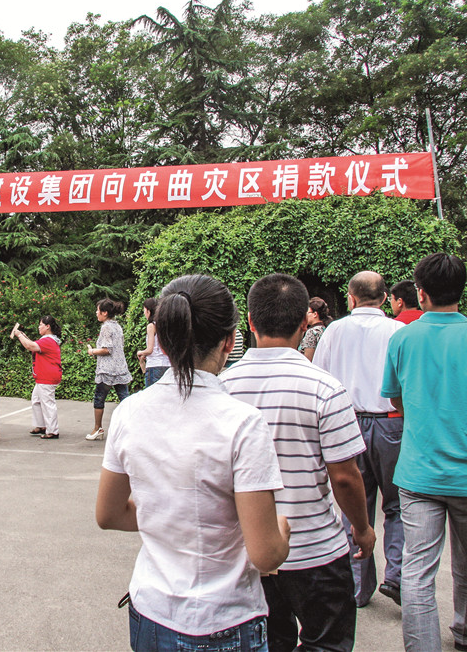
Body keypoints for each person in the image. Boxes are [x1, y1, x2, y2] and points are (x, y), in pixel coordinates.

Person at [96, 274, 291, 651]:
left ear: (163, 341)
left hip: (150, 612)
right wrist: (282, 531)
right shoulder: (243, 423)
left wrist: (166, 512)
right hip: (224, 620)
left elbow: (109, 514)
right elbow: (265, 554)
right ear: (229, 341)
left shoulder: (129, 412)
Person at [222, 273, 374, 652]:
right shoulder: (326, 388)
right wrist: (362, 527)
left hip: (249, 551)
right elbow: (344, 477)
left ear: (250, 322)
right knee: (327, 643)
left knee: (268, 643)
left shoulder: (223, 387)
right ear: (305, 324)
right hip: (316, 550)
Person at [381, 253, 467, 652]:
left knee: (417, 570)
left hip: (418, 475)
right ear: (463, 291)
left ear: (420, 293)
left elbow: (395, 398)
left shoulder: (402, 338)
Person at [313, 271, 405, 609]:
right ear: (384, 299)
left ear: (350, 298)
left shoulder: (335, 331)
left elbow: (320, 378)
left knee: (354, 505)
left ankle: (357, 587)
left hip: (347, 423)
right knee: (396, 504)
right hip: (391, 424)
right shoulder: (398, 331)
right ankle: (396, 575)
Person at [85, 298, 132, 441]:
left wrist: (92, 351)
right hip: (120, 368)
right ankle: (132, 428)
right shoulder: (117, 326)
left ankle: (97, 428)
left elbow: (107, 349)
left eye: (98, 310)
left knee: (99, 398)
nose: (96, 313)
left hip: (107, 370)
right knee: (125, 399)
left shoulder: (106, 327)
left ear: (104, 313)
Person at [11, 316, 63, 439]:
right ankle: (41, 426)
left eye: (40, 325)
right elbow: (33, 344)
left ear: (47, 326)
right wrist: (23, 336)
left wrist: (19, 335)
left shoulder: (48, 340)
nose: (39, 327)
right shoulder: (47, 339)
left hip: (47, 376)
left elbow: (30, 346)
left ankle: (53, 430)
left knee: (47, 403)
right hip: (44, 376)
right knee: (36, 400)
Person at [136, 298, 171, 387]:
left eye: (144, 310)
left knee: (152, 394)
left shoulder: (151, 326)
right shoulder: (165, 326)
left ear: (148, 311)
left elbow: (150, 350)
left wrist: (140, 352)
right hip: (167, 365)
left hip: (154, 366)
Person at [299, 297, 332, 361]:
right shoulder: (326, 329)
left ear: (315, 314)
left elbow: (308, 359)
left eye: (307, 312)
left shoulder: (312, 332)